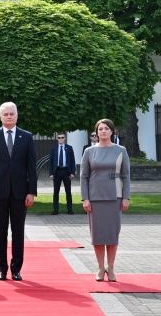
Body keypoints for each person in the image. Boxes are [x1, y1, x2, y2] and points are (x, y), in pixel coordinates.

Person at [0, 102, 37, 281]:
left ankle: (16, 269)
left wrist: (31, 192)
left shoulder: (27, 137)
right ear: (0, 116)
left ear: (17, 115)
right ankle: (2, 269)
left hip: (20, 193)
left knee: (18, 231)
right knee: (0, 232)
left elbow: (31, 168)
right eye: (5, 114)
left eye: (11, 114)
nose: (8, 116)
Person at [80, 119, 131, 281]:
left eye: (106, 128)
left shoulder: (121, 150)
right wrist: (85, 198)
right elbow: (84, 177)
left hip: (115, 198)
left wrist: (126, 197)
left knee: (112, 235)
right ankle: (101, 268)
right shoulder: (89, 151)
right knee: (98, 236)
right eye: (100, 129)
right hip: (95, 198)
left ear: (112, 131)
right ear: (96, 132)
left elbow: (126, 176)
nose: (103, 131)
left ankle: (111, 267)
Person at [48, 132, 76, 214]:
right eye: (59, 137)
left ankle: (70, 210)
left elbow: (72, 161)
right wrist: (51, 173)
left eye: (62, 137)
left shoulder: (69, 148)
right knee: (56, 192)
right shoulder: (54, 149)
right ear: (57, 139)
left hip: (66, 171)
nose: (60, 139)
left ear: (65, 138)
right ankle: (55, 210)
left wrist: (72, 172)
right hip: (57, 172)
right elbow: (51, 162)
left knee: (68, 191)